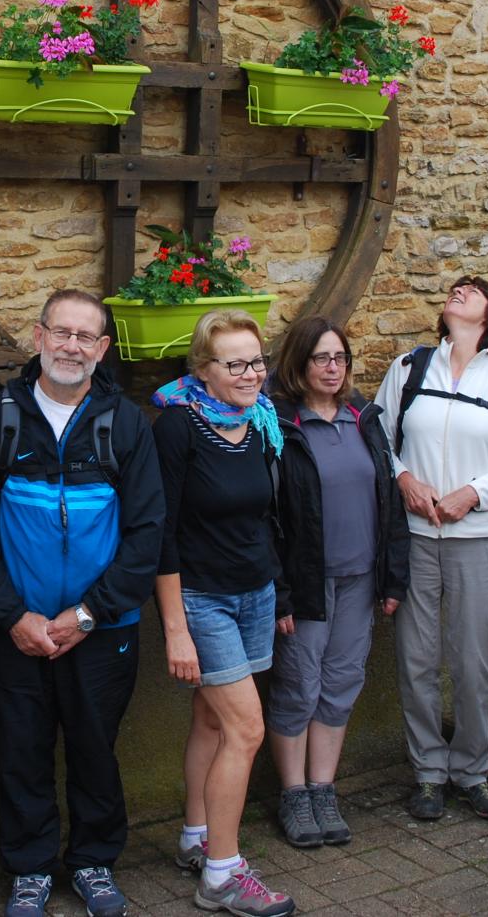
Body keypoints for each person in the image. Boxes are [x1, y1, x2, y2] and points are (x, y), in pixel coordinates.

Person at [0, 290, 164, 917]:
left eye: (86, 337)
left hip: (102, 628)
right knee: (21, 749)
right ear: (38, 335)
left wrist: (88, 613)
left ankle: (95, 861)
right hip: (19, 628)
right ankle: (29, 867)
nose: (72, 346)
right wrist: (12, 615)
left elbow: (146, 532)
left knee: (93, 748)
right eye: (62, 332)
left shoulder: (125, 422)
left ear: (103, 349)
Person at [375, 275, 488, 825]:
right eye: (454, 288)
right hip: (415, 538)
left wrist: (473, 494)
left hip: (478, 538)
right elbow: (378, 438)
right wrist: (404, 482)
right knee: (416, 659)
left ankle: (472, 771)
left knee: (472, 661)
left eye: (472, 289)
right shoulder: (409, 369)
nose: (458, 291)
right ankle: (427, 772)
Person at [154, 309, 295, 917]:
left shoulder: (262, 422)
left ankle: (194, 835)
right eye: (234, 364)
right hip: (201, 599)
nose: (250, 374)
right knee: (246, 729)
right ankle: (221, 874)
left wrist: (280, 593)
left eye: (256, 362)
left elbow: (267, 519)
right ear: (204, 370)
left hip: (255, 594)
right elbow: (159, 530)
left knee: (213, 723)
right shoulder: (177, 428)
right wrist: (176, 628)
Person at [262, 315, 409, 849]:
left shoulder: (364, 418)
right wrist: (279, 591)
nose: (332, 367)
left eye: (340, 358)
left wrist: (393, 576)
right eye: (321, 358)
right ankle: (294, 793)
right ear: (298, 365)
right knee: (299, 685)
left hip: (359, 578)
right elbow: (269, 516)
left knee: (342, 683)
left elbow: (389, 500)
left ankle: (324, 789)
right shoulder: (280, 425)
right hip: (307, 582)